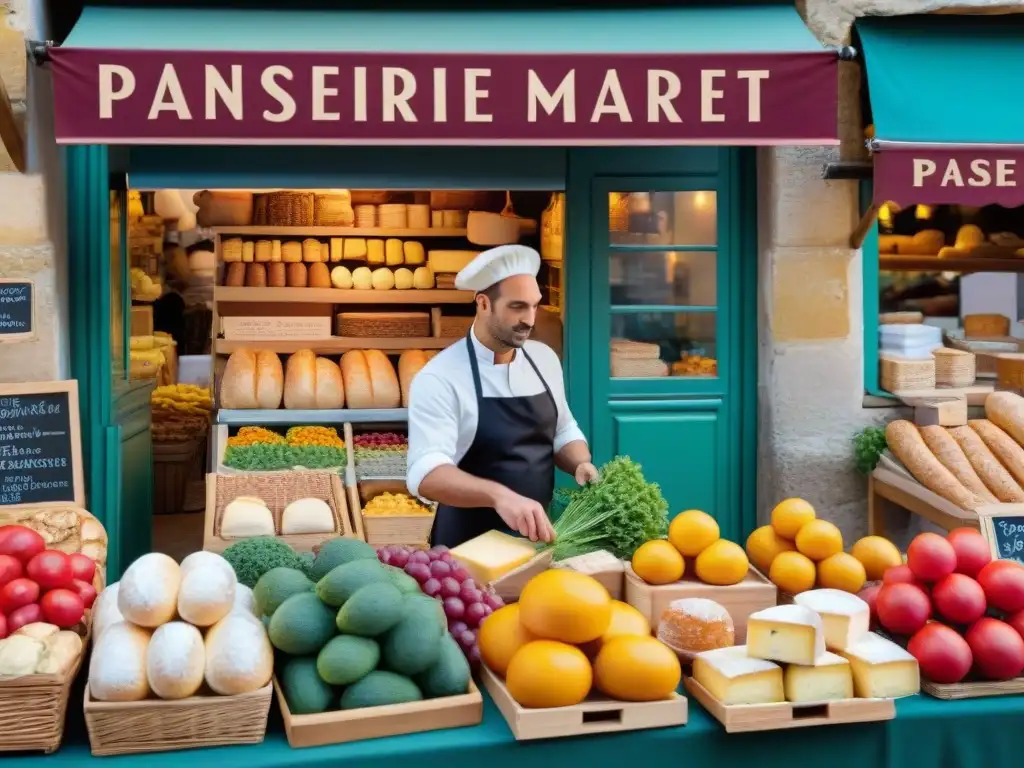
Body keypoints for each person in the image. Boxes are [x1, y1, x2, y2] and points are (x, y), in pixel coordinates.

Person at [406, 244, 598, 548]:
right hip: (466, 549)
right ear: (483, 304)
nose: (530, 319)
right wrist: (499, 496)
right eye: (517, 306)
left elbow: (563, 429)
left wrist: (579, 463)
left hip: (535, 542)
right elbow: (425, 472)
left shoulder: (544, 359)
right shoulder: (439, 377)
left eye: (535, 305)